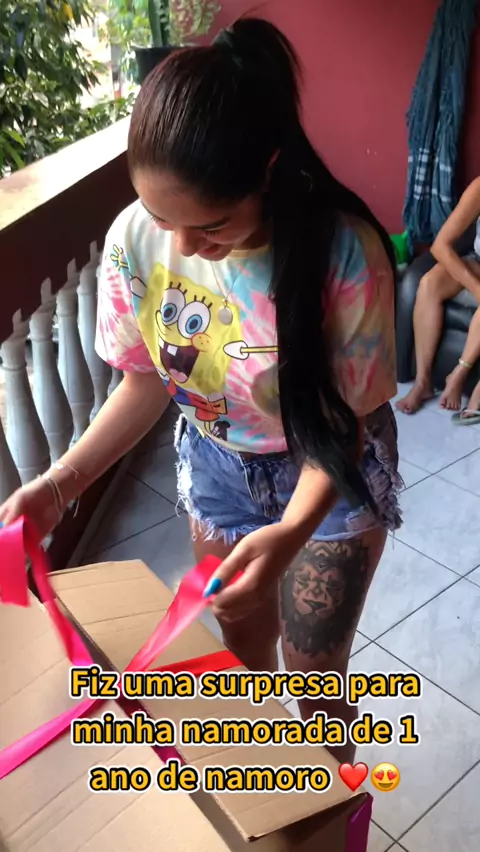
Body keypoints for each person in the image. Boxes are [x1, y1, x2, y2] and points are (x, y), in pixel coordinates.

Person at [0, 18, 400, 763]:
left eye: (212, 225)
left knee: (315, 680)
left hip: (327, 471)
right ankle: (265, 802)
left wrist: (290, 535)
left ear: (268, 170)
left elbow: (343, 423)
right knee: (241, 660)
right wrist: (58, 484)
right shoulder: (133, 239)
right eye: (162, 217)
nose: (183, 246)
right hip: (217, 467)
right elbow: (145, 383)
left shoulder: (345, 253)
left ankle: (326, 814)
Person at [396, 176, 480, 422]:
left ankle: (459, 375)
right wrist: (476, 287)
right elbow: (440, 246)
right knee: (429, 284)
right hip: (477, 263)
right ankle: (423, 382)